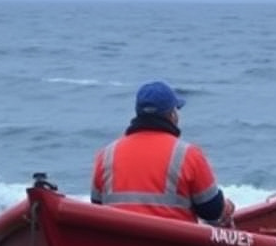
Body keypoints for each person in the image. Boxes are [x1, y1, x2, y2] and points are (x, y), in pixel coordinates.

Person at [91, 80, 235, 227]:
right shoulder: (188, 155)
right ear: (172, 115)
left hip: (118, 245)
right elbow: (212, 211)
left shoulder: (105, 156)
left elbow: (96, 207)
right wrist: (226, 207)